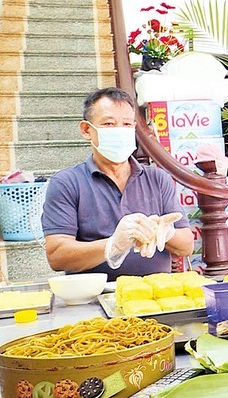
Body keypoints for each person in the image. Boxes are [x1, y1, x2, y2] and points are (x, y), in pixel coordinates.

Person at [42, 87, 194, 281]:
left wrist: (164, 232)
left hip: (154, 292)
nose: (119, 131)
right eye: (109, 124)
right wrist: (113, 244)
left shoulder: (158, 179)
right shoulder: (66, 183)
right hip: (94, 298)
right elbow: (57, 255)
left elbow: (187, 246)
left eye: (127, 124)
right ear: (87, 130)